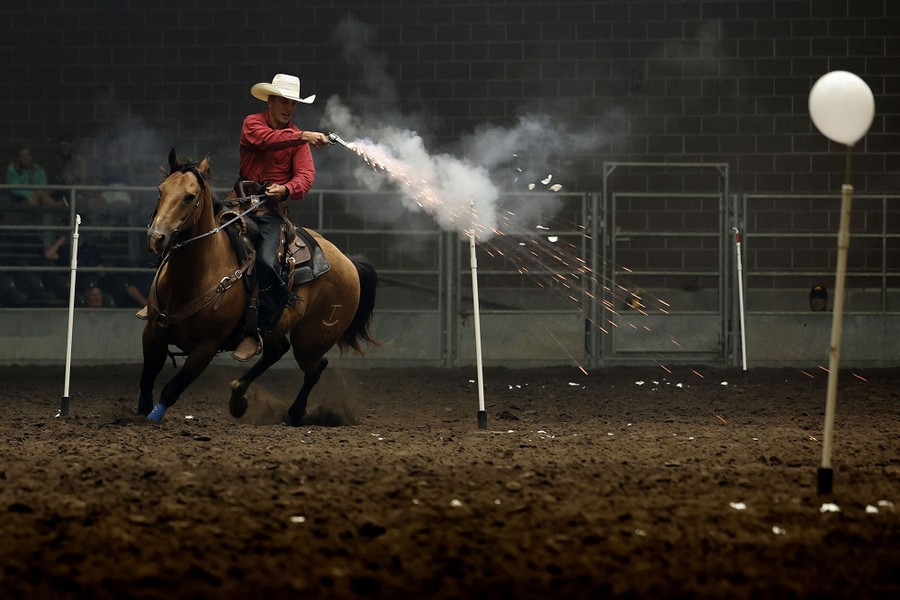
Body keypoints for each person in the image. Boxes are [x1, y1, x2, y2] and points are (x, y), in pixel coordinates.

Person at [229, 73, 332, 361]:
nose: (289, 108)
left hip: (270, 213)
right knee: (194, 230)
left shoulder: (298, 141)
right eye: (284, 102)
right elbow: (264, 140)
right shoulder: (253, 123)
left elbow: (305, 178)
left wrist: (285, 188)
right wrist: (303, 135)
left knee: (266, 260)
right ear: (271, 101)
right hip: (238, 201)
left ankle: (260, 328)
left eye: (293, 104)